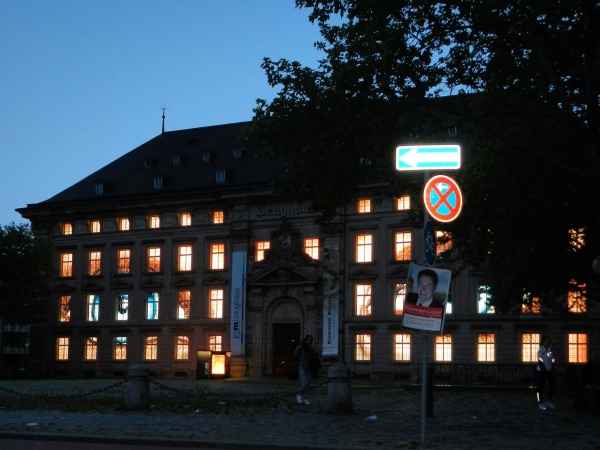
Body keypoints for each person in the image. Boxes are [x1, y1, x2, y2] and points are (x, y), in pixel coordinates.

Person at [293, 334, 317, 405]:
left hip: (309, 368)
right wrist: (297, 349)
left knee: (308, 384)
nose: (310, 341)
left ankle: (305, 398)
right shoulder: (301, 348)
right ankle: (299, 395)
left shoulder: (312, 349)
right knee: (305, 382)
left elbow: (313, 359)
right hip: (302, 367)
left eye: (311, 340)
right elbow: (294, 356)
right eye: (308, 339)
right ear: (305, 340)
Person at [536, 335, 556, 410]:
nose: (548, 342)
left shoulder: (549, 350)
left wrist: (552, 366)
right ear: (543, 341)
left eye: (548, 340)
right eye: (547, 340)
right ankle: (540, 402)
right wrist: (544, 369)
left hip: (549, 369)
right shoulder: (541, 350)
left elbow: (551, 359)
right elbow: (540, 361)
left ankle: (548, 401)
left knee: (552, 385)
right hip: (542, 370)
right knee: (541, 387)